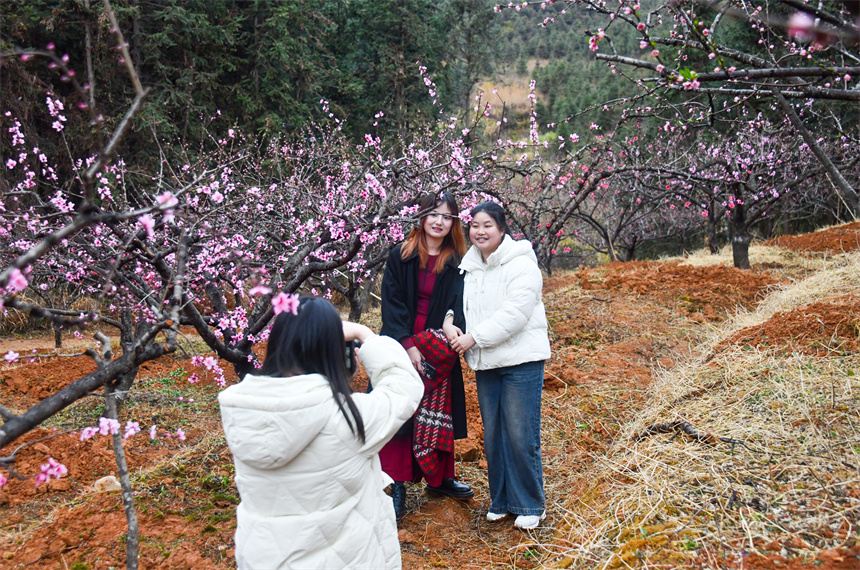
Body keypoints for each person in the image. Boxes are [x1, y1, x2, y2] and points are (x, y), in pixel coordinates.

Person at [218, 296, 424, 569]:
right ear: (335, 351)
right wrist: (366, 334)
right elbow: (404, 388)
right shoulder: (348, 419)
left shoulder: (245, 410)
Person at [448, 201, 552, 530]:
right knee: (493, 434)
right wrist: (450, 323)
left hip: (521, 360)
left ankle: (531, 504)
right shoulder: (468, 267)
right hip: (487, 363)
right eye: (474, 225)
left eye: (487, 225)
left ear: (502, 229)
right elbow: (454, 306)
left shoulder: (521, 263)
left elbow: (515, 314)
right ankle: (502, 500)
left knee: (521, 433)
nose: (480, 231)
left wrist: (473, 338)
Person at [378, 191, 474, 522]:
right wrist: (407, 343)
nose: (439, 221)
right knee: (401, 408)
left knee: (439, 409)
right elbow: (391, 303)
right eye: (433, 214)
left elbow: (458, 304)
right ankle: (396, 482)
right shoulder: (400, 256)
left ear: (454, 223)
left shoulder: (457, 262)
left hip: (437, 344)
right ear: (421, 217)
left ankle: (440, 479)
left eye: (447, 216)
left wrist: (449, 324)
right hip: (401, 339)